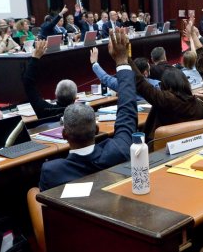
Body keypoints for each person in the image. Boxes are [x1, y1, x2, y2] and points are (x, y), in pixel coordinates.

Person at [39, 30, 137, 191]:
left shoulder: (51, 171)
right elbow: (127, 109)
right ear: (96, 130)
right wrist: (122, 60)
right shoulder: (118, 150)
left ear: (64, 134)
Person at [23, 40, 77, 119]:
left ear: (55, 95)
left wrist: (35, 58)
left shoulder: (45, 109)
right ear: (75, 98)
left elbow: (28, 83)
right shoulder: (81, 112)